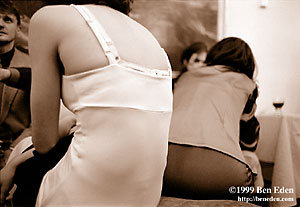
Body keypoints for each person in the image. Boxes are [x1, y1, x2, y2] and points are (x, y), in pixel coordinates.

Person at [0, 0, 173, 206]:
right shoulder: (145, 34)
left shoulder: (51, 18)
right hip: (145, 193)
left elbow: (44, 143)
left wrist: (12, 166)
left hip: (82, 189)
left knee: (23, 152)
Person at [162, 37, 259, 200]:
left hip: (163, 167)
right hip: (221, 175)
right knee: (255, 173)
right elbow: (249, 139)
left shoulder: (185, 77)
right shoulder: (248, 85)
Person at [0, 0, 31, 169]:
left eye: (7, 20)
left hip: (19, 151)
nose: (0, 25)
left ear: (19, 28)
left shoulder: (34, 64)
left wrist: (14, 149)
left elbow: (40, 120)